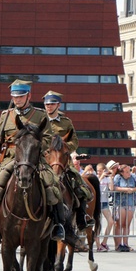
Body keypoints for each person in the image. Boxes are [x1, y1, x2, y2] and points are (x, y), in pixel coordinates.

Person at [0, 79, 64, 244]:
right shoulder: (6, 115)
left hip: (34, 159)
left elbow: (48, 139)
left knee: (53, 184)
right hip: (11, 159)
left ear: (29, 96)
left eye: (21, 96)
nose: (17, 99)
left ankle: (59, 224)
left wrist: (34, 148)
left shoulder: (40, 115)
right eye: (15, 97)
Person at [41, 91, 95, 231]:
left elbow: (74, 141)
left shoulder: (66, 122)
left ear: (58, 105)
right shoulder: (39, 120)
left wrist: (63, 148)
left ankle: (82, 218)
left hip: (62, 160)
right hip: (43, 159)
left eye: (52, 104)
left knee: (80, 184)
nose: (49, 106)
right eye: (47, 104)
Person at [113, 164, 136, 252]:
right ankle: (118, 245)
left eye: (129, 171)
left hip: (131, 202)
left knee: (127, 224)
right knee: (119, 224)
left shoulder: (133, 177)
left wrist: (133, 190)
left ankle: (125, 244)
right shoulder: (118, 177)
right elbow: (114, 187)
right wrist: (125, 189)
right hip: (120, 203)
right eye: (126, 172)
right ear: (122, 173)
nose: (128, 173)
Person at [97, 162, 116, 251]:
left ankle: (104, 242)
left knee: (111, 222)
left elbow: (111, 189)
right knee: (97, 224)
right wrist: (101, 176)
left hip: (104, 202)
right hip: (97, 202)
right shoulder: (95, 176)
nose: (99, 172)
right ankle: (98, 245)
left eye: (100, 171)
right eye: (98, 171)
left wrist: (110, 177)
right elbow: (96, 184)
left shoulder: (107, 178)